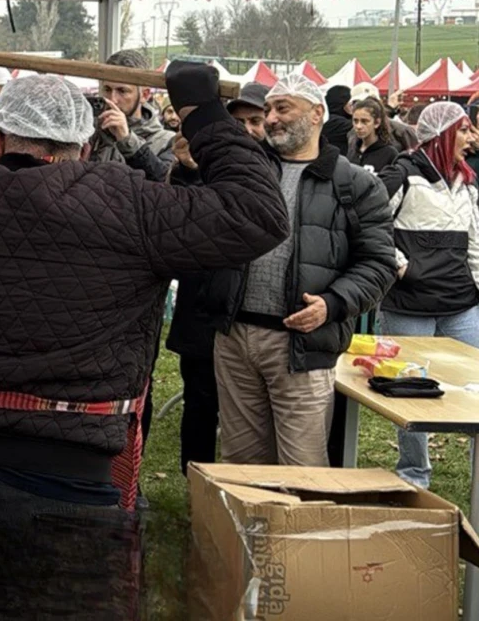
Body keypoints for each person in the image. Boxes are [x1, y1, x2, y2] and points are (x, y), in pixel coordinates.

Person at [0, 37, 290, 619]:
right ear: (84, 146)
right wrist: (204, 113)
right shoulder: (130, 204)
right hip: (73, 483)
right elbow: (258, 212)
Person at [210, 73, 395, 468]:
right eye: (268, 110)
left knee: (302, 467)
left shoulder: (354, 184)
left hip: (303, 346)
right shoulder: (246, 173)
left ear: (316, 114)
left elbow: (379, 263)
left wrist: (333, 303)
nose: (271, 118)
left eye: (282, 108)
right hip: (235, 337)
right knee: (240, 464)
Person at [164, 80, 272, 476]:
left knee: (256, 412)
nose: (247, 130)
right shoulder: (206, 164)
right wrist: (188, 172)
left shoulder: (281, 168)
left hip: (261, 316)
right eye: (237, 122)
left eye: (256, 121)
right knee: (200, 403)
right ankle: (197, 486)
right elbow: (181, 224)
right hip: (206, 307)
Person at [377, 102, 479, 489]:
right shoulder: (403, 173)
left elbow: (475, 242)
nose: (471, 137)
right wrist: (402, 266)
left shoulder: (467, 183)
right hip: (409, 305)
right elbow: (371, 223)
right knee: (411, 390)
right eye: (464, 130)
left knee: (476, 385)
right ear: (442, 134)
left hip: (460, 304)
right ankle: (414, 474)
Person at [89, 49, 176, 182]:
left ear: (145, 95)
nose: (112, 99)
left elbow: (165, 184)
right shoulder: (90, 131)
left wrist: (127, 140)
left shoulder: (166, 141)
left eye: (122, 91)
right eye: (107, 89)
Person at [352, 82, 417, 152]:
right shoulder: (351, 134)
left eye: (369, 103)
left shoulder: (402, 132)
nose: (362, 108)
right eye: (356, 103)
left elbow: (415, 155)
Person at [348, 97, 399, 173]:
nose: (358, 126)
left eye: (364, 121)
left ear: (376, 123)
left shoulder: (390, 153)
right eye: (355, 121)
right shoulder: (352, 149)